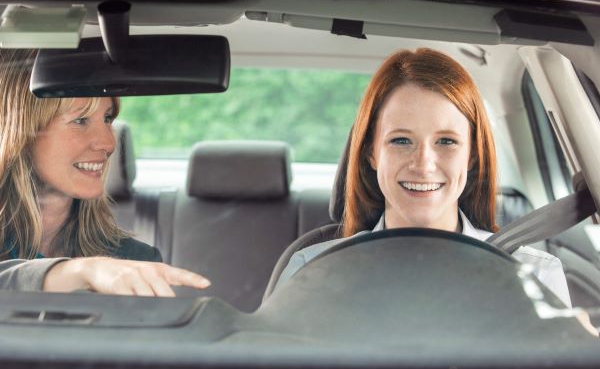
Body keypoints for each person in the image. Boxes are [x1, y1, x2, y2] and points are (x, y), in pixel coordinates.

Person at [274, 48, 572, 308]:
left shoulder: (535, 276)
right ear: (371, 153)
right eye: (401, 141)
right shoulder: (312, 271)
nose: (424, 164)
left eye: (446, 142)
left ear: (471, 156)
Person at [0, 48, 210, 297]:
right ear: (22, 129)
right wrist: (77, 273)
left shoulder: (134, 262)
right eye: (80, 120)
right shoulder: (106, 269)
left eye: (107, 118)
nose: (108, 143)